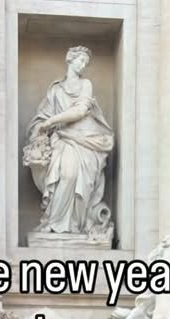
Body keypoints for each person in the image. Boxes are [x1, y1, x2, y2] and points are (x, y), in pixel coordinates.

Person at [23, 46, 114, 240]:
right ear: (70, 59)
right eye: (80, 61)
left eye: (85, 63)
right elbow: (42, 116)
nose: (83, 65)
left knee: (76, 178)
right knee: (65, 175)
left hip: (85, 141)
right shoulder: (56, 90)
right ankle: (54, 223)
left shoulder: (86, 84)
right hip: (62, 139)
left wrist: (51, 122)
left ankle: (75, 226)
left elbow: (80, 111)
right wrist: (40, 128)